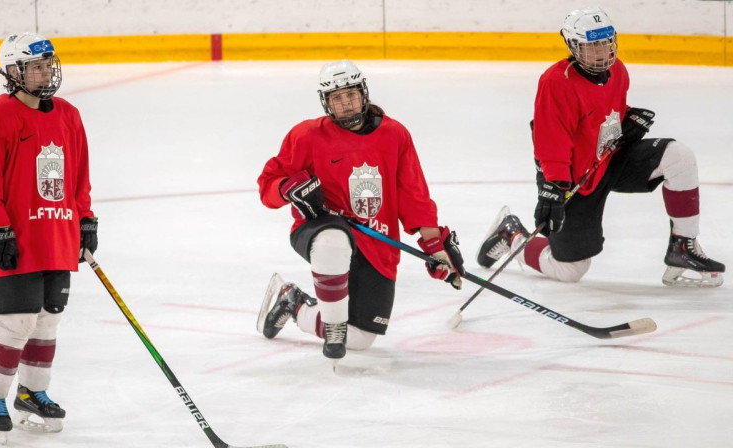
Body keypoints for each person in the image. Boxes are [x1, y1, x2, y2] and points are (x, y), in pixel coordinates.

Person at [476, 7, 724, 287]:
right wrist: (554, 188)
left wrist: (629, 121)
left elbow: (605, 114)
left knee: (679, 156)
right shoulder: (556, 82)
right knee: (569, 270)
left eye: (605, 43)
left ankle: (683, 246)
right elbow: (550, 139)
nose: (601, 52)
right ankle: (511, 235)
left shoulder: (618, 71)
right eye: (591, 45)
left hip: (609, 160)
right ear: (572, 46)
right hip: (571, 179)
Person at [256, 59, 464, 364]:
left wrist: (434, 244)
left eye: (350, 95)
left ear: (363, 93)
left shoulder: (395, 135)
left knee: (362, 339)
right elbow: (268, 187)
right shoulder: (307, 135)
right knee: (333, 240)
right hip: (319, 229)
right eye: (336, 99)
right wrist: (288, 189)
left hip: (376, 243)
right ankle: (335, 326)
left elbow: (413, 195)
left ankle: (294, 304)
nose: (346, 104)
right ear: (326, 103)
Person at [0, 32, 97, 442]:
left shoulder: (69, 115)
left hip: (57, 234)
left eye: (46, 64)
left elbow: (79, 178)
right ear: (13, 72)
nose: (43, 72)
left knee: (48, 318)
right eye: (33, 66)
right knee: (15, 321)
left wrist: (85, 219)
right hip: (13, 239)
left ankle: (32, 392)